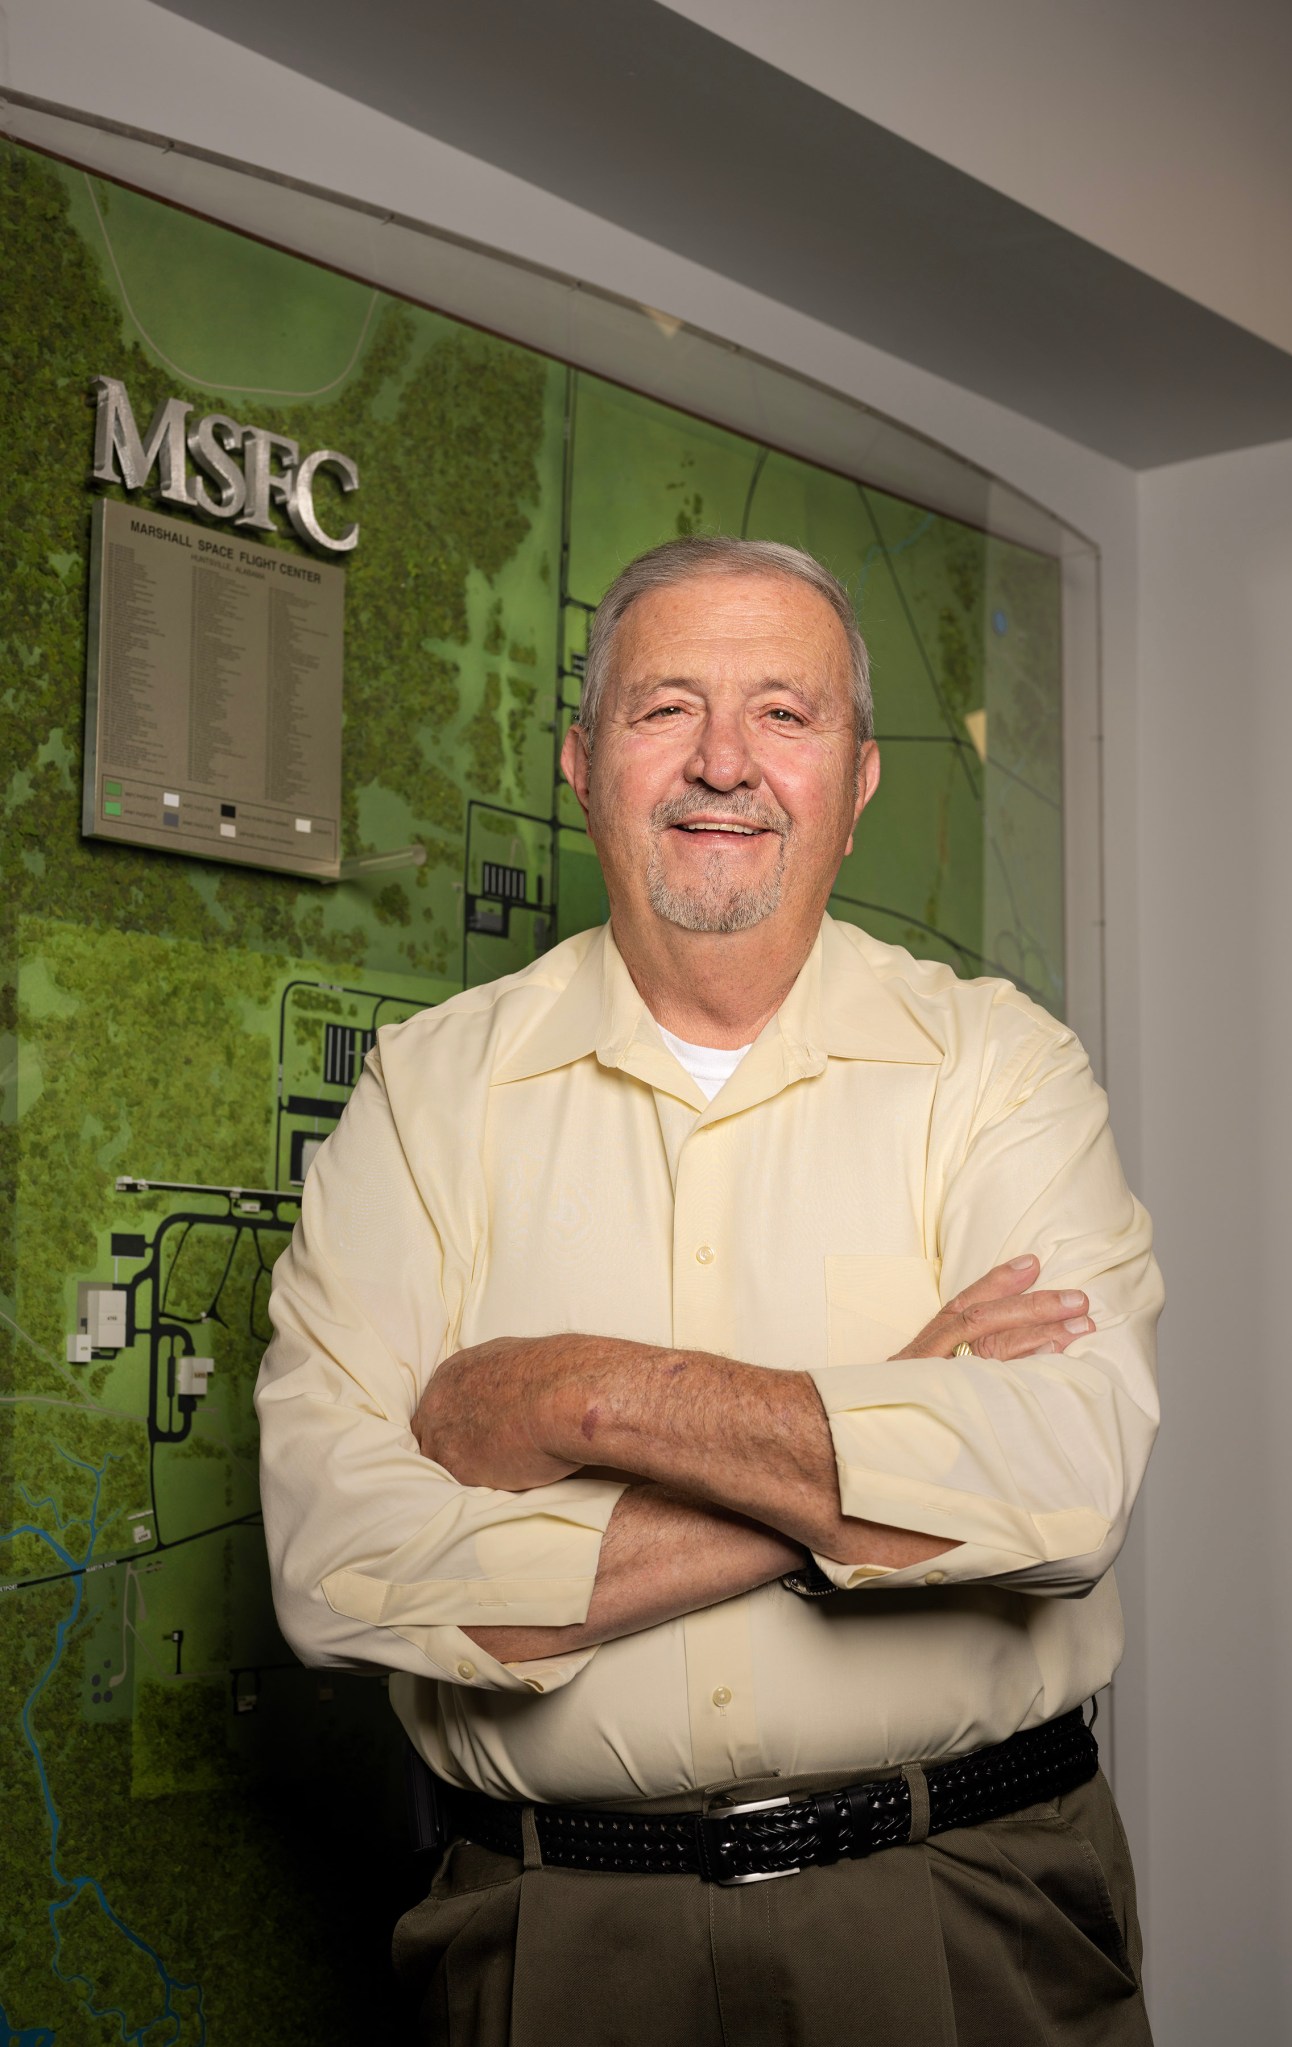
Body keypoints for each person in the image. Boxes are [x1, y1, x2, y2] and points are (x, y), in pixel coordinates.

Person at [256, 535, 1161, 2046]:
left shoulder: (1000, 1070)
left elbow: (1061, 1494)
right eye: (665, 708)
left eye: (783, 716)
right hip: (555, 1934)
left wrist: (571, 1399)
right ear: (582, 759)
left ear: (860, 781)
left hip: (961, 1907)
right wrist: (876, 1435)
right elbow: (339, 1568)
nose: (723, 763)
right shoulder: (426, 1094)